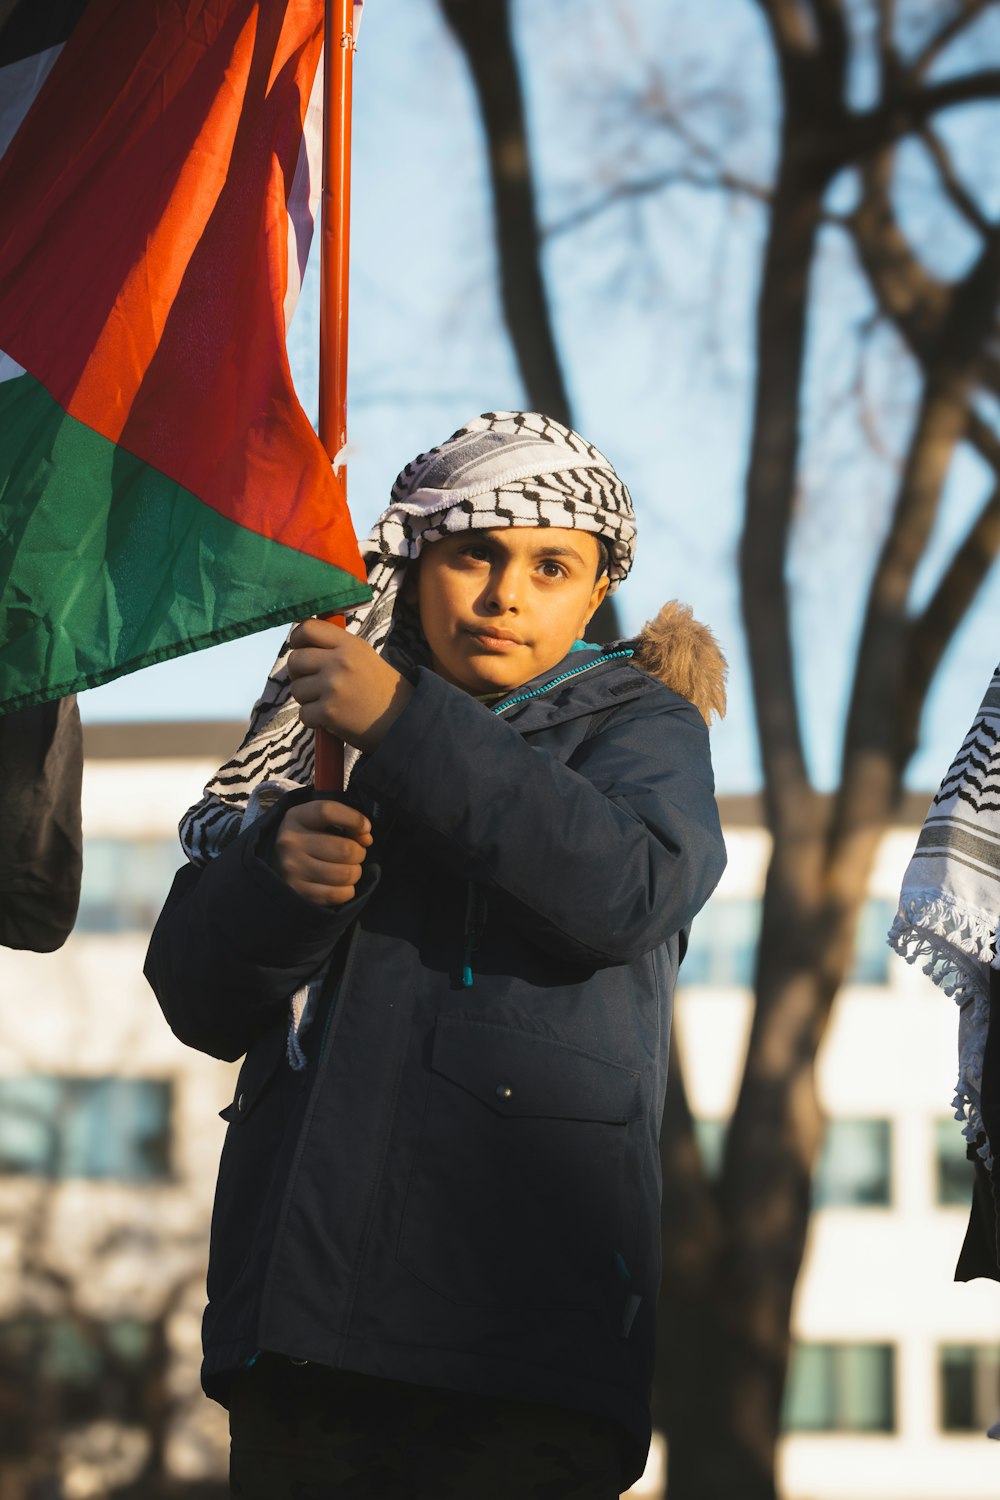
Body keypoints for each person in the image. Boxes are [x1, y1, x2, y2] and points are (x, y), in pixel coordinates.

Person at [145, 411, 728, 1498]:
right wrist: (280, 878)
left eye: (550, 567)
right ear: (415, 569)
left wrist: (405, 725)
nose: (506, 596)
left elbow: (626, 888)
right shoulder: (315, 743)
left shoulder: (640, 726)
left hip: (526, 1330)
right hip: (307, 1326)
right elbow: (195, 997)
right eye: (475, 555)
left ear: (594, 593)